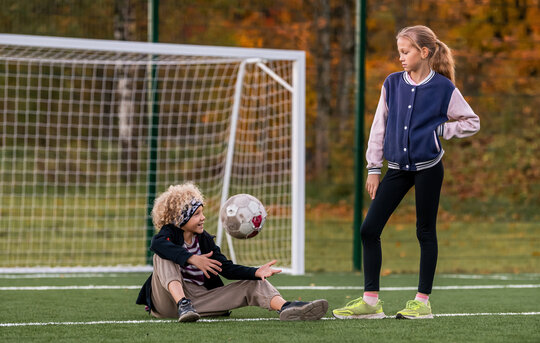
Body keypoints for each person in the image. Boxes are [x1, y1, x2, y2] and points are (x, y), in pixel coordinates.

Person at [333, 25, 480, 320]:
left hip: (429, 168)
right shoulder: (391, 83)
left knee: (425, 231)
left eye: (405, 51)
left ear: (424, 52)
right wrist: (374, 168)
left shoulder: (443, 88)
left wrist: (441, 128)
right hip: (396, 169)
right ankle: (371, 302)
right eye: (399, 52)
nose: (400, 57)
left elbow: (471, 121)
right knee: (369, 229)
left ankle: (422, 302)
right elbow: (379, 127)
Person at [137, 182, 328, 322]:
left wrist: (255, 272)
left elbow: (226, 269)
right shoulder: (168, 234)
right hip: (166, 302)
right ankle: (182, 303)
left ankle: (287, 308)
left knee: (254, 284)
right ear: (180, 219)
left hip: (199, 303)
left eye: (202, 212)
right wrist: (192, 259)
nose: (203, 218)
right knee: (162, 255)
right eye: (197, 214)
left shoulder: (204, 241)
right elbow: (157, 244)